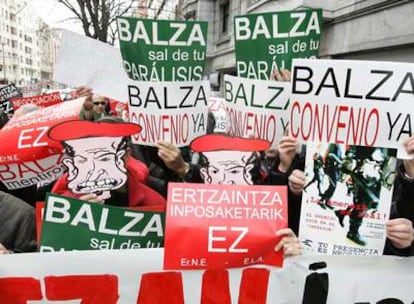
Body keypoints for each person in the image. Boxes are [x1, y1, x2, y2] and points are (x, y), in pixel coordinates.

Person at [49, 118, 166, 209]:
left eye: (104, 158)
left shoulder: (154, 203)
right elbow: (51, 236)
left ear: (126, 156)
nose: (95, 168)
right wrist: (73, 217)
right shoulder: (65, 204)